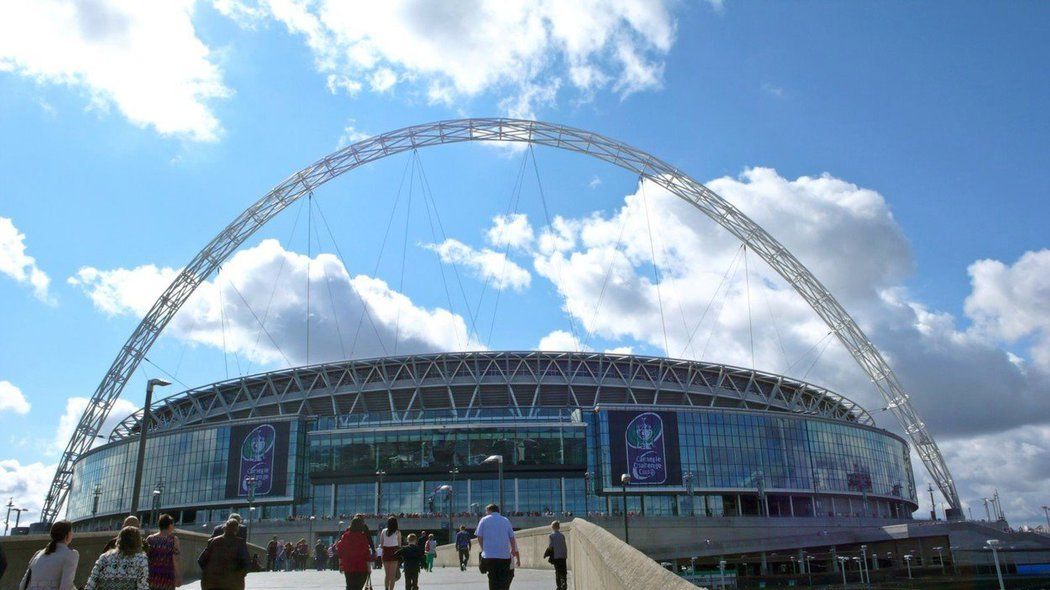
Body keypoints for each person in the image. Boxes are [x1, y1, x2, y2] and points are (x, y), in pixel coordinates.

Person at [19, 520, 79, 590]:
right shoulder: (71, 555)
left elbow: (22, 585)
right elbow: (66, 587)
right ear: (68, 535)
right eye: (72, 531)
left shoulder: (38, 554)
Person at [84, 526, 149, 590]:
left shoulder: (104, 557)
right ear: (138, 542)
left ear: (119, 540)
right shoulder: (141, 560)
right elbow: (142, 586)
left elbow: (91, 582)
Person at [475, 504, 519, 590]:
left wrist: (483, 548)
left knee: (492, 579)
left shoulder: (484, 520)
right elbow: (511, 537)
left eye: (486, 511)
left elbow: (479, 536)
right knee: (503, 579)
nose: (486, 513)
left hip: (489, 556)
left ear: (489, 510)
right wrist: (513, 549)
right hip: (504, 556)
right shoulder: (505, 520)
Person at [199, 519, 249, 590]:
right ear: (236, 530)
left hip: (212, 582)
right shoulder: (240, 543)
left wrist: (208, 573)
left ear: (224, 528)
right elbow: (246, 563)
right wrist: (239, 576)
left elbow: (201, 560)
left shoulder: (213, 541)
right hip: (233, 584)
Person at [336, 515, 375, 590]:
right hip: (361, 567)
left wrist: (340, 565)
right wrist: (369, 568)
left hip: (349, 567)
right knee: (358, 587)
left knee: (350, 586)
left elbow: (340, 551)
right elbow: (366, 554)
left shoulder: (345, 536)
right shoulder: (363, 537)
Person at [146, 514, 182, 590]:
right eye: (173, 524)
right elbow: (176, 559)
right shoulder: (174, 540)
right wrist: (178, 576)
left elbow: (145, 558)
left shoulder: (150, 539)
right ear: (170, 525)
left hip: (152, 577)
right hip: (167, 577)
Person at [378, 516, 401, 590]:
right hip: (394, 553)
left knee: (387, 575)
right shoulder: (398, 532)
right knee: (393, 575)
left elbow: (381, 545)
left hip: (386, 553)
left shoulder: (383, 531)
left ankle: (386, 588)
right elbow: (399, 545)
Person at [547, 521, 567, 590]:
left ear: (552, 527)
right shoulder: (562, 535)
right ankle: (564, 584)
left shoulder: (551, 536)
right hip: (563, 556)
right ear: (559, 527)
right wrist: (565, 555)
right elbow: (564, 546)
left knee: (557, 571)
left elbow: (550, 546)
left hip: (556, 557)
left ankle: (559, 586)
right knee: (563, 571)